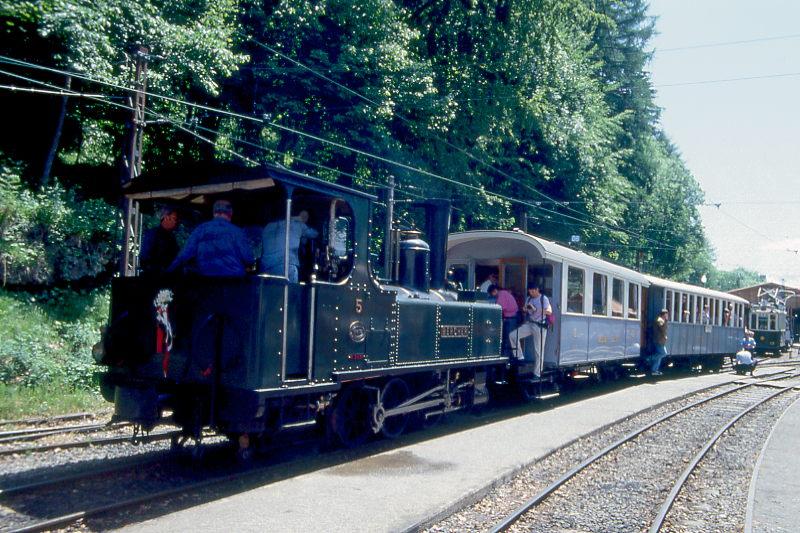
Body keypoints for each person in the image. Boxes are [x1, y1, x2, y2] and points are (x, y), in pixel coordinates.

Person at [167, 199, 254, 276]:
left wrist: (167, 273)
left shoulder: (200, 230)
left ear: (214, 213)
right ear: (230, 213)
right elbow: (249, 259)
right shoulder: (237, 232)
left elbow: (184, 255)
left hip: (207, 282)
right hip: (233, 282)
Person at [260, 209, 319, 283]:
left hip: (266, 268)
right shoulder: (297, 224)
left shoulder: (267, 227)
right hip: (286, 265)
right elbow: (314, 234)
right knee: (289, 292)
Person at [510, 283, 552, 378]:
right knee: (513, 335)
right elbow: (527, 311)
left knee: (538, 350)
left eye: (533, 291)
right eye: (530, 291)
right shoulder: (529, 299)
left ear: (537, 290)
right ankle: (519, 356)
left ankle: (537, 373)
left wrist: (538, 309)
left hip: (540, 325)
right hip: (530, 323)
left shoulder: (543, 298)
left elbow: (549, 311)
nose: (532, 293)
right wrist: (525, 309)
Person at [139, 205, 179, 274]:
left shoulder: (172, 237)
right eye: (174, 218)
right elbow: (144, 260)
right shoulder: (153, 234)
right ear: (166, 218)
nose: (176, 222)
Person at [487, 284, 519, 356]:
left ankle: (507, 356)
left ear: (495, 291)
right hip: (511, 317)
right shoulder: (505, 293)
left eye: (492, 294)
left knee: (508, 338)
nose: (493, 296)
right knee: (509, 338)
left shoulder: (502, 295)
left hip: (510, 318)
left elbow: (499, 308)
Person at [651, 308, 669, 376]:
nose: (667, 315)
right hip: (658, 340)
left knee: (659, 357)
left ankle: (655, 370)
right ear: (664, 314)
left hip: (660, 340)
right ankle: (650, 358)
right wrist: (666, 321)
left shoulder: (661, 320)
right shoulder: (660, 320)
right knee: (663, 353)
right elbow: (663, 328)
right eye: (667, 314)